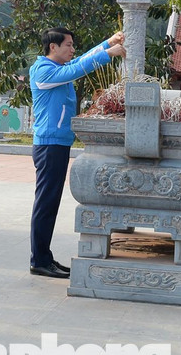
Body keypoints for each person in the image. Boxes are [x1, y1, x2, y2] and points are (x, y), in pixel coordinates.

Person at [28, 27, 125, 278]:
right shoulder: (43, 70)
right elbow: (77, 68)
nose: (73, 49)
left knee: (50, 204)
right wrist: (107, 54)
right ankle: (39, 260)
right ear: (53, 47)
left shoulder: (57, 70)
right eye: (68, 45)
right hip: (49, 145)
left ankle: (44, 257)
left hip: (58, 143)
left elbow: (79, 62)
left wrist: (106, 43)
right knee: (45, 205)